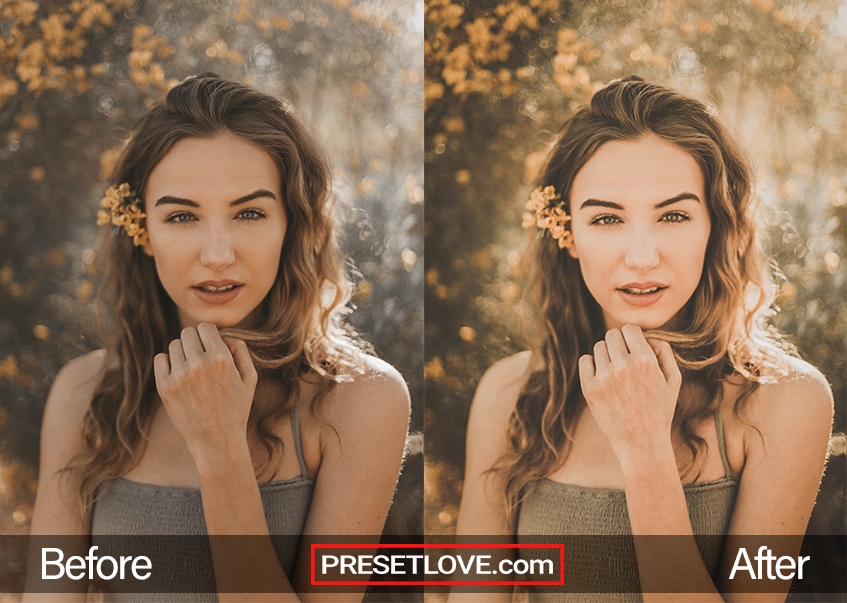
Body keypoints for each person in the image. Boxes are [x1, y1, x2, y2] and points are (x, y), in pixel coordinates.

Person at [24, 73, 410, 602]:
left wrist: (221, 451)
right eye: (182, 216)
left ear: (290, 224)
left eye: (249, 212)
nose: (218, 253)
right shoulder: (84, 393)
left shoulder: (361, 401)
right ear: (145, 234)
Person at [453, 77, 833, 601]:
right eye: (607, 218)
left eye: (673, 215)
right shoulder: (509, 393)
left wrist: (645, 451)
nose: (641, 256)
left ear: (715, 226)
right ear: (568, 234)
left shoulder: (788, 403)